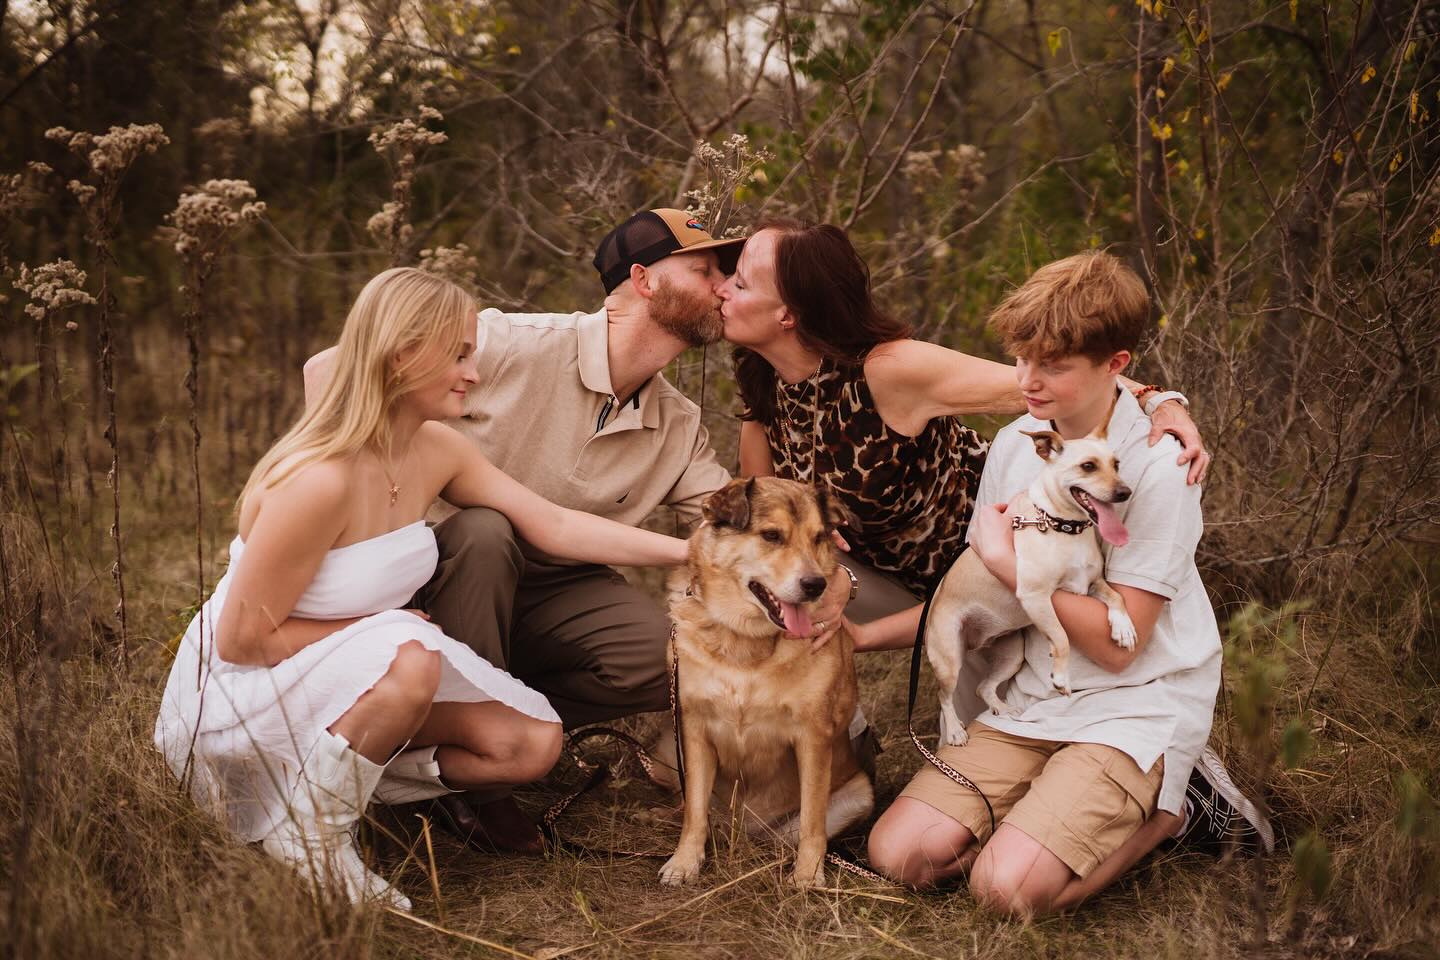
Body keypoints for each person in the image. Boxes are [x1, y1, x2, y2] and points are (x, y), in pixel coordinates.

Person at [303, 210, 850, 854]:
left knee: (661, 660)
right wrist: (358, 529)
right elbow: (328, 367)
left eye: (727, 274)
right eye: (704, 270)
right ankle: (476, 792)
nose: (721, 287)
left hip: (559, 585)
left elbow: (731, 528)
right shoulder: (515, 341)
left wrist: (817, 570)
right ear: (644, 281)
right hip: (443, 572)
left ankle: (487, 734)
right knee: (484, 531)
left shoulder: (677, 421)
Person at [156, 268, 690, 909]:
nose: (474, 371)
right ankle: (315, 838)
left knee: (530, 745)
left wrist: (694, 553)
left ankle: (348, 782)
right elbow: (242, 641)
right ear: (403, 354)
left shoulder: (435, 447)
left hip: (358, 675)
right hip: (252, 693)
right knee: (412, 658)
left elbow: (554, 525)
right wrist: (385, 631)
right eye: (459, 354)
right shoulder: (317, 480)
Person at [863, 251, 1259, 915]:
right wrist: (861, 636)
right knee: (900, 856)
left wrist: (1007, 562)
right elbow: (978, 601)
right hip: (1032, 697)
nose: (1028, 380)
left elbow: (1117, 646)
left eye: (1053, 365)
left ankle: (1177, 812)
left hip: (1132, 703)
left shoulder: (1162, 469)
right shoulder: (1021, 440)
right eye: (1021, 359)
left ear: (1117, 366)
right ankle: (1044, 807)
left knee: (1004, 890)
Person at [717, 219, 1208, 630]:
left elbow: (1061, 378)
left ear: (787, 314)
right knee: (754, 578)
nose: (721, 290)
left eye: (738, 284)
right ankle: (832, 732)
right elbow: (762, 507)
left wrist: (1158, 399)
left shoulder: (889, 370)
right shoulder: (765, 383)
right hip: (886, 582)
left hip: (987, 562)